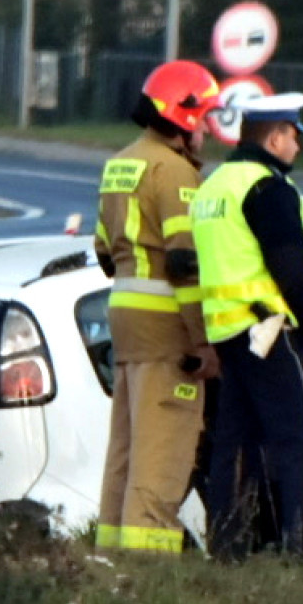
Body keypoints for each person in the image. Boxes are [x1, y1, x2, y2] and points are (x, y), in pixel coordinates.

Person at [193, 92, 303, 562]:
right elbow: (290, 266)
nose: (297, 147)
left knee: (233, 446)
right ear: (275, 137)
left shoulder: (214, 185)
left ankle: (227, 552)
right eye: (294, 136)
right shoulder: (267, 188)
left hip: (230, 333)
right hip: (273, 330)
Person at [93, 60, 223, 554]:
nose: (207, 130)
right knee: (162, 447)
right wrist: (203, 340)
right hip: (166, 327)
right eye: (204, 118)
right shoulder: (173, 172)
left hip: (124, 321)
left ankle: (111, 551)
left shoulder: (121, 163)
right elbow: (185, 266)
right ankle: (146, 563)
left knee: (125, 447)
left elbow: (105, 252)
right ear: (184, 117)